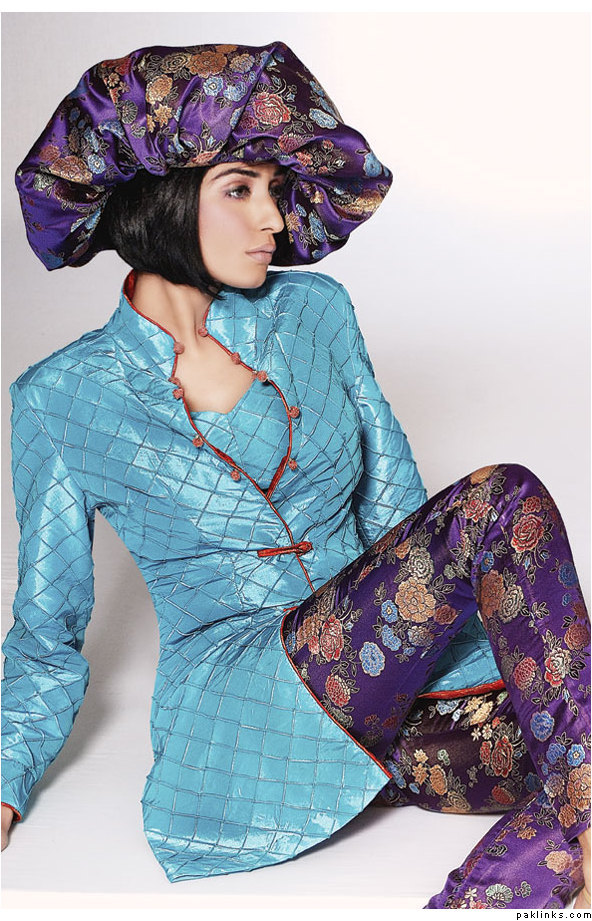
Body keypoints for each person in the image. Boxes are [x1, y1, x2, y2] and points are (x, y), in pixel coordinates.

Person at [1, 41, 590, 909]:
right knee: (500, 500)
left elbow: (401, 519)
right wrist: (4, 778)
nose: (273, 220)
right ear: (158, 195)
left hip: (384, 693)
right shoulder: (61, 397)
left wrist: (492, 653)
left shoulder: (317, 312)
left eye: (275, 190)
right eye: (239, 189)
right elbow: (46, 627)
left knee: (576, 742)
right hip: (239, 715)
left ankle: (488, 897)